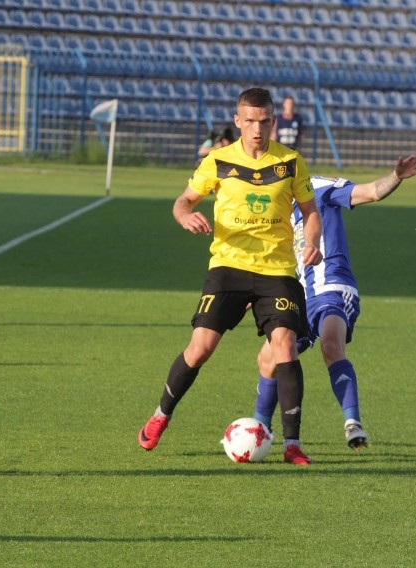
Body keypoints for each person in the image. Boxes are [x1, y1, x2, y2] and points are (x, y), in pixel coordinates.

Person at [138, 87, 324, 466]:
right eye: (250, 121)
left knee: (285, 345)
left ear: (273, 121)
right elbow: (183, 200)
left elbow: (311, 211)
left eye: (264, 121)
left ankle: (292, 444)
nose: (258, 129)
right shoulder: (218, 160)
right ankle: (160, 417)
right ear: (238, 121)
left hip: (276, 269)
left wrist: (314, 242)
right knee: (201, 347)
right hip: (228, 265)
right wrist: (184, 215)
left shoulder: (290, 162)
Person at [252, 155, 416, 449]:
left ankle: (352, 424)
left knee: (330, 345)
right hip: (297, 293)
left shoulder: (318, 187)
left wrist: (395, 176)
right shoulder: (272, 210)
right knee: (268, 359)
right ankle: (259, 430)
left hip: (333, 284)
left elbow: (370, 191)